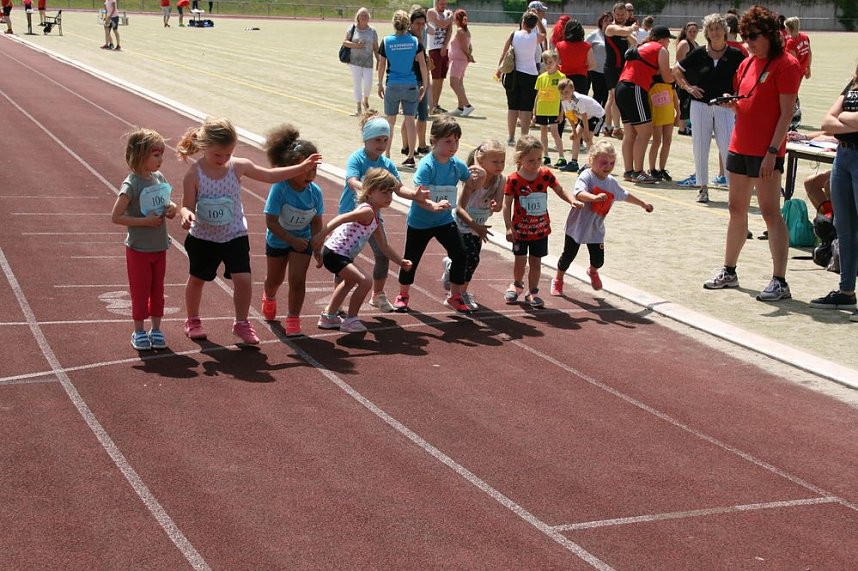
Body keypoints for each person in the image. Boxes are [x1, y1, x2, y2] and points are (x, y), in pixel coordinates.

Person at [176, 118, 322, 344]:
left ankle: (242, 323)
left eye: (228, 154)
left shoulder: (238, 166)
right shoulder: (194, 174)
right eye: (218, 155)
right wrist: (186, 214)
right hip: (203, 237)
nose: (223, 159)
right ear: (204, 147)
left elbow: (269, 175)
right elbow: (186, 204)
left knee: (243, 280)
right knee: (197, 279)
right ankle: (193, 320)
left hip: (234, 234)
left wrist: (301, 167)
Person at [703, 6, 802, 302]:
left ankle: (780, 280)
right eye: (745, 36)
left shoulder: (787, 64)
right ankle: (729, 271)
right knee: (736, 210)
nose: (748, 42)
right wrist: (732, 105)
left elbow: (786, 114)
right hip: (739, 146)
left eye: (754, 36)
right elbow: (748, 101)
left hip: (766, 151)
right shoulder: (747, 64)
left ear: (771, 35)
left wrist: (773, 151)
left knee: (771, 213)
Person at [341, 112, 433, 313]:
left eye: (385, 139)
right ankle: (338, 299)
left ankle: (377, 295)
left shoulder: (387, 164)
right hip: (351, 216)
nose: (382, 144)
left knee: (382, 254)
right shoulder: (357, 158)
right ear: (366, 139)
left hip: (373, 217)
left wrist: (415, 195)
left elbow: (398, 188)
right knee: (344, 257)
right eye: (377, 140)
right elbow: (351, 180)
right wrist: (365, 190)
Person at [394, 116, 481, 313]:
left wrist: (480, 176)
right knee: (411, 259)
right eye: (448, 141)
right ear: (434, 141)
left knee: (460, 253)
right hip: (421, 221)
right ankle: (403, 294)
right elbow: (419, 193)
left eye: (456, 141)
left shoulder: (456, 165)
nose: (453, 146)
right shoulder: (428, 165)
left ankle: (455, 296)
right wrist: (433, 205)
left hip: (443, 220)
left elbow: (472, 185)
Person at [312, 168, 413, 333]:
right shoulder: (366, 210)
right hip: (335, 253)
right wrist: (321, 235)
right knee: (365, 281)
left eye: (391, 193)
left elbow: (384, 247)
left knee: (350, 281)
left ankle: (328, 316)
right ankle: (350, 320)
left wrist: (400, 262)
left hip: (339, 254)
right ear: (370, 192)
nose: (389, 197)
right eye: (384, 193)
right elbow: (341, 218)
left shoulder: (375, 217)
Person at [552, 140, 653, 296]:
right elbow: (578, 193)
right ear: (591, 160)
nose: (608, 166)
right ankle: (558, 279)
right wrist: (593, 197)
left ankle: (592, 271)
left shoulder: (611, 182)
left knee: (599, 260)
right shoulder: (587, 176)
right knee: (568, 256)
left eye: (612, 163)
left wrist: (642, 203)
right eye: (603, 162)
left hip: (595, 228)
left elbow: (625, 195)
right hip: (577, 225)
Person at [110, 128, 177, 351]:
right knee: (140, 292)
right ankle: (139, 331)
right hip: (139, 249)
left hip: (159, 247)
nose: (160, 159)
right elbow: (116, 216)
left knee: (158, 291)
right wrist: (144, 222)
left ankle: (156, 329)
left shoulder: (159, 178)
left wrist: (171, 209)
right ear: (140, 155)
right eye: (155, 155)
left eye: (161, 154)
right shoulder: (132, 184)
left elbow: (169, 203)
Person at [673, 13, 746, 203]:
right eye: (711, 29)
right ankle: (703, 188)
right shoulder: (699, 53)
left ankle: (733, 190)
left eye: (718, 28)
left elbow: (746, 77)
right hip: (700, 105)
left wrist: (736, 97)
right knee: (700, 146)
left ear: (725, 31)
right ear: (707, 32)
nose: (714, 32)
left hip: (724, 106)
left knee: (727, 147)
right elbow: (677, 70)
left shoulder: (736, 54)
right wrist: (688, 87)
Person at [503, 135, 582, 308]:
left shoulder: (545, 175)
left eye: (539, 158)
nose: (536, 163)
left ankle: (533, 291)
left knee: (536, 262)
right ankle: (517, 284)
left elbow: (559, 189)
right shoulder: (513, 179)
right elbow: (507, 205)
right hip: (521, 230)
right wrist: (509, 227)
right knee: (520, 260)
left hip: (540, 229)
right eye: (531, 160)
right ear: (520, 158)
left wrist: (571, 200)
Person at [260, 125, 324, 337]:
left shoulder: (315, 193)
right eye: (305, 169)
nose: (310, 174)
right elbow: (271, 221)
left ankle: (293, 318)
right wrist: (289, 239)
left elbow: (316, 221)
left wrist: (317, 243)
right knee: (275, 280)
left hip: (302, 241)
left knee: (297, 281)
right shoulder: (280, 188)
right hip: (278, 240)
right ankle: (269, 297)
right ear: (290, 168)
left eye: (314, 169)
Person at [809, 63, 858, 319]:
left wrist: (843, 120)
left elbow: (839, 119)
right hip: (843, 156)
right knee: (844, 227)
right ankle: (846, 291)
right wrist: (847, 122)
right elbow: (827, 120)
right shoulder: (853, 83)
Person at [442, 140, 506, 310]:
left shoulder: (500, 180)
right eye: (495, 161)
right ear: (481, 161)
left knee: (473, 261)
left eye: (502, 161)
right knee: (471, 258)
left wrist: (496, 206)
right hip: (463, 224)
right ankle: (457, 294)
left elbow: (499, 205)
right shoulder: (474, 178)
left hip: (479, 225)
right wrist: (474, 226)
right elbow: (460, 208)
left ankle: (457, 280)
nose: (499, 165)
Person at [615, 25, 675, 184]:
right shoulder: (661, 49)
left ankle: (629, 171)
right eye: (668, 39)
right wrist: (677, 73)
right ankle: (638, 171)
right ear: (662, 39)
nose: (668, 42)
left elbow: (649, 69)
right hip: (634, 88)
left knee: (630, 133)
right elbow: (667, 77)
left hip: (621, 87)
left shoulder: (641, 46)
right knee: (645, 131)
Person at [377, 10, 428, 168]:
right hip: (411, 84)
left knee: (390, 123)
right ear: (407, 24)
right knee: (410, 121)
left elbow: (381, 64)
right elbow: (423, 64)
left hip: (393, 84)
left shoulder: (386, 41)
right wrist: (425, 85)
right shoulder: (414, 41)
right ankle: (411, 156)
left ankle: (387, 155)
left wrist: (379, 83)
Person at [495, 11, 546, 146]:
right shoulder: (535, 37)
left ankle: (511, 136)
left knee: (512, 107)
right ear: (534, 24)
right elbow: (545, 34)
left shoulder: (513, 34)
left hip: (513, 74)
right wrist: (539, 21)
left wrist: (499, 70)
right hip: (530, 74)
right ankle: (524, 137)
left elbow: (505, 52)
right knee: (526, 108)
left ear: (522, 22)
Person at [603, 2, 638, 140]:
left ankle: (610, 126)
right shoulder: (610, 27)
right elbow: (624, 32)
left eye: (623, 14)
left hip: (623, 67)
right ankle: (614, 127)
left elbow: (634, 42)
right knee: (614, 97)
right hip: (612, 67)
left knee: (614, 98)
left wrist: (629, 31)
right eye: (618, 14)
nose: (620, 16)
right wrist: (632, 28)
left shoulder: (624, 28)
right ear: (613, 14)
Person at [400, 7, 431, 157]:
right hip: (411, 80)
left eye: (423, 24)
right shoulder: (409, 39)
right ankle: (406, 146)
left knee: (423, 115)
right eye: (417, 23)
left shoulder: (420, 38)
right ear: (411, 24)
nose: (421, 26)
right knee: (409, 115)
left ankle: (422, 145)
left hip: (422, 80)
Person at [558, 78, 605, 173]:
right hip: (586, 117)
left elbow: (584, 116)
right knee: (576, 138)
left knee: (587, 139)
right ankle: (573, 163)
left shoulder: (578, 99)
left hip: (597, 116)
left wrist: (586, 133)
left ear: (573, 90)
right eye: (562, 92)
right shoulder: (564, 100)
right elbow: (570, 116)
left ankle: (592, 163)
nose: (564, 95)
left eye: (566, 92)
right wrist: (574, 131)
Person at [534, 50, 567, 169]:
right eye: (545, 62)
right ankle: (546, 155)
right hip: (542, 108)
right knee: (543, 131)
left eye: (550, 62)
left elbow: (564, 96)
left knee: (554, 132)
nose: (548, 65)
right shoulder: (541, 77)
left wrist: (562, 112)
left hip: (554, 109)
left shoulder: (561, 77)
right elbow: (538, 95)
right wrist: (534, 111)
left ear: (556, 62)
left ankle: (561, 157)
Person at [344, 7, 379, 117]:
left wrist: (378, 60)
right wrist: (356, 45)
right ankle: (358, 107)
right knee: (357, 84)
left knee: (368, 84)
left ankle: (366, 100)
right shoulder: (352, 28)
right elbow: (345, 42)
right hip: (355, 61)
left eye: (366, 15)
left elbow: (376, 47)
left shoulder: (372, 31)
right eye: (362, 15)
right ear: (358, 17)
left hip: (368, 62)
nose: (364, 17)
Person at [646, 71, 678, 181]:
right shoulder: (651, 77)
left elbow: (674, 95)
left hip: (668, 114)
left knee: (667, 141)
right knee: (656, 141)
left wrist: (678, 112)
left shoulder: (670, 78)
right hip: (656, 114)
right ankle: (652, 169)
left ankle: (662, 169)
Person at [555, 18, 595, 96]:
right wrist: (583, 68)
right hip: (581, 79)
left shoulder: (560, 45)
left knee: (564, 102)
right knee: (578, 103)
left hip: (564, 78)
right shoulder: (586, 46)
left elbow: (555, 64)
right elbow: (592, 65)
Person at [585, 12, 612, 130]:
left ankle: (603, 123)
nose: (608, 23)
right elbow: (585, 48)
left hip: (610, 70)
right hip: (596, 70)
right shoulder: (594, 35)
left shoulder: (614, 35)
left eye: (610, 21)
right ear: (601, 22)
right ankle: (594, 121)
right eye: (605, 21)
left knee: (607, 97)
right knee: (598, 96)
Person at [427, 0, 453, 114]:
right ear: (436, 3)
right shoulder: (431, 12)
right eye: (441, 4)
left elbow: (449, 30)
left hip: (444, 49)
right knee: (435, 78)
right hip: (434, 48)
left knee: (441, 78)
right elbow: (442, 24)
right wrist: (450, 17)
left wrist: (445, 46)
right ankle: (430, 104)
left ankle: (436, 104)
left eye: (445, 4)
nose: (444, 6)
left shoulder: (447, 13)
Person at [675, 22, 700, 135]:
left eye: (694, 31)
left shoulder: (696, 44)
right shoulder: (684, 44)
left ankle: (687, 128)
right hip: (684, 81)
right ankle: (682, 129)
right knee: (684, 106)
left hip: (693, 81)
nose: (692, 33)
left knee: (690, 105)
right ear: (685, 32)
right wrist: (681, 82)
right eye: (690, 31)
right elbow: (678, 65)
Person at [448, 8, 474, 117]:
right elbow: (469, 45)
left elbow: (464, 46)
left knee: (453, 83)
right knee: (459, 83)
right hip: (461, 60)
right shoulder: (466, 31)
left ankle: (467, 105)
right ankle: (460, 107)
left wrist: (469, 55)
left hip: (458, 61)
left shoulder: (460, 31)